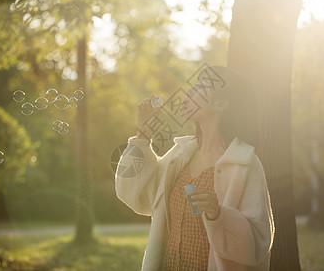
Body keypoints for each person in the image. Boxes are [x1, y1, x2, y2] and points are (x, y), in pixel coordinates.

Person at [115, 65, 275, 271]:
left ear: (221, 104)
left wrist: (219, 214)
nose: (189, 92)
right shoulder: (179, 154)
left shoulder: (245, 164)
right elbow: (135, 193)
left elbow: (259, 242)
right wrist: (143, 135)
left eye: (200, 88)